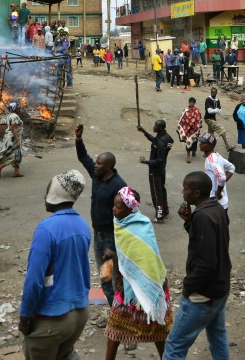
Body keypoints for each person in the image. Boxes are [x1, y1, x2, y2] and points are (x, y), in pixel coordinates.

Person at [19, 170, 90, 360]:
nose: (44, 195)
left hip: (52, 320)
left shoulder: (46, 229)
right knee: (65, 354)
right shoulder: (83, 225)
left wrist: (24, 318)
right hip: (79, 314)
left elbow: (34, 280)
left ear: (56, 194)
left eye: (47, 190)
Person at [163, 172, 231, 360]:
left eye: (186, 189)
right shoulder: (216, 208)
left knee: (174, 345)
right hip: (220, 288)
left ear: (197, 193)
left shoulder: (202, 216)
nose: (183, 192)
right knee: (218, 337)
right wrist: (188, 222)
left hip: (203, 294)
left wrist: (188, 287)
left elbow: (207, 263)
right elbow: (209, 243)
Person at [104, 188, 172, 359]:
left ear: (129, 209)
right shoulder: (119, 222)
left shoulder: (142, 225)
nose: (113, 209)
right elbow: (126, 253)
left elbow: (147, 259)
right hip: (127, 286)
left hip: (149, 284)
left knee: (158, 326)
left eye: (117, 207)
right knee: (115, 326)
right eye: (114, 205)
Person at [74, 124, 127, 307]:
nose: (94, 165)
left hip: (111, 240)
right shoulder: (97, 175)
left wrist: (113, 245)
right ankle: (114, 314)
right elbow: (83, 157)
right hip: (98, 237)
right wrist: (79, 139)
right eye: (95, 163)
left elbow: (125, 218)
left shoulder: (119, 186)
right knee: (104, 277)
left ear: (109, 166)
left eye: (99, 163)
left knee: (114, 279)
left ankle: (120, 317)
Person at [138, 120, 174, 223]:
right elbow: (154, 141)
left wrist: (146, 162)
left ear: (161, 128)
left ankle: (159, 216)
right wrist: (144, 132)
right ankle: (165, 210)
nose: (154, 127)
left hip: (155, 171)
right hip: (162, 169)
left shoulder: (161, 142)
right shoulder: (165, 137)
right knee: (161, 189)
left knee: (156, 192)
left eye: (156, 126)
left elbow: (159, 160)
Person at [199, 132, 235, 220]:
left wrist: (218, 192)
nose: (200, 144)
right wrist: (222, 184)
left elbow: (221, 177)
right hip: (223, 204)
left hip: (214, 203)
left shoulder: (211, 159)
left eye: (203, 143)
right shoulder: (218, 156)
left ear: (210, 145)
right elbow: (232, 168)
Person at [0, 101, 24, 178]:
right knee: (16, 155)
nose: (20, 109)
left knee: (17, 153)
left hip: (9, 137)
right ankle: (0, 167)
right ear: (15, 109)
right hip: (12, 139)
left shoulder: (10, 115)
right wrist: (17, 141)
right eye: (19, 107)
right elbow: (13, 129)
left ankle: (16, 172)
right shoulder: (14, 116)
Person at [177, 97, 202, 163]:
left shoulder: (196, 110)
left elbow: (199, 118)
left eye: (192, 102)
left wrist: (198, 126)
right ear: (189, 102)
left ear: (194, 103)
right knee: (188, 142)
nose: (191, 103)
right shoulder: (185, 110)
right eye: (190, 102)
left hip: (194, 129)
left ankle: (194, 151)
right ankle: (188, 156)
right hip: (187, 129)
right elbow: (182, 118)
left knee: (194, 141)